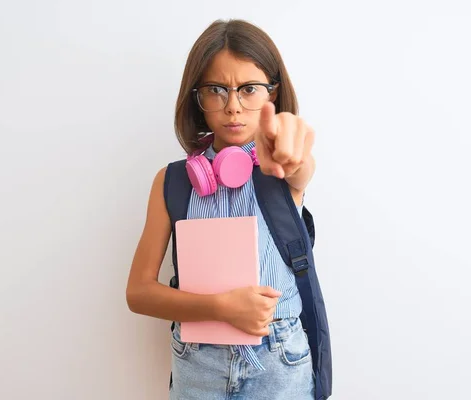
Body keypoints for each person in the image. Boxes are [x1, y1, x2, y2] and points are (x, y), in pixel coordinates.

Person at [126, 19, 324, 399]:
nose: (233, 107)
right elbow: (138, 292)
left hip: (279, 360)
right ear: (197, 99)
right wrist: (220, 308)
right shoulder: (172, 182)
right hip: (198, 362)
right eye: (217, 90)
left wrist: (293, 153)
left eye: (250, 89)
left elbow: (301, 166)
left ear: (272, 94)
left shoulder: (281, 169)